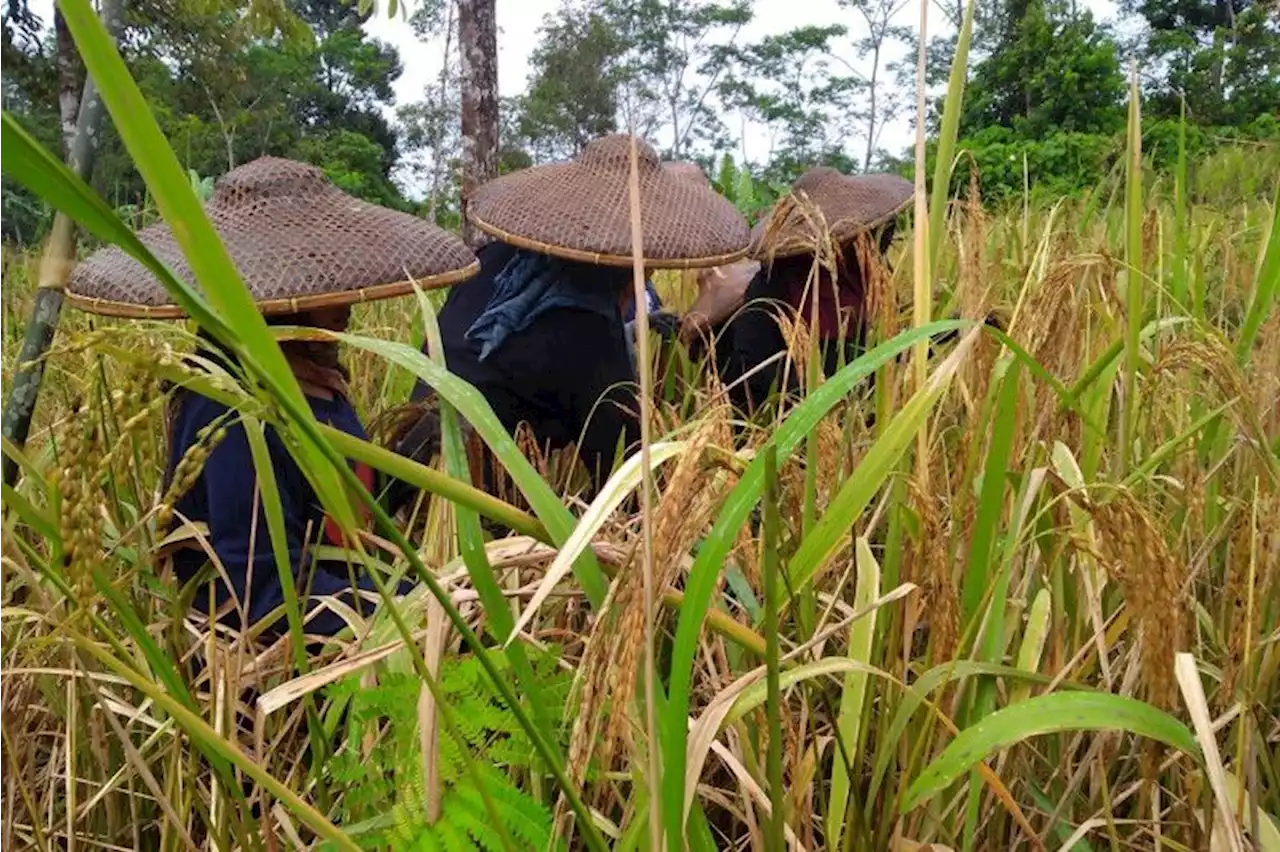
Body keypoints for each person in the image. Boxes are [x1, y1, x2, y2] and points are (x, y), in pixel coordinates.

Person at [65, 156, 480, 638]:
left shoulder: (315, 381)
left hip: (349, 617)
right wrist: (425, 606)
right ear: (276, 307)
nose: (345, 303)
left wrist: (409, 461)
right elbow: (261, 592)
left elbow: (327, 513)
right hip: (279, 670)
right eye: (322, 288)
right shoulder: (233, 415)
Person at [394, 135, 751, 493]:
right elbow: (623, 469)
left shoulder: (495, 259)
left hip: (407, 460)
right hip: (466, 487)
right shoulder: (585, 324)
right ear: (624, 266)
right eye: (647, 268)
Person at [718, 168, 914, 414]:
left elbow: (884, 342)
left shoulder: (868, 277)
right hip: (790, 419)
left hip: (862, 411)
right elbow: (757, 366)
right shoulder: (773, 285)